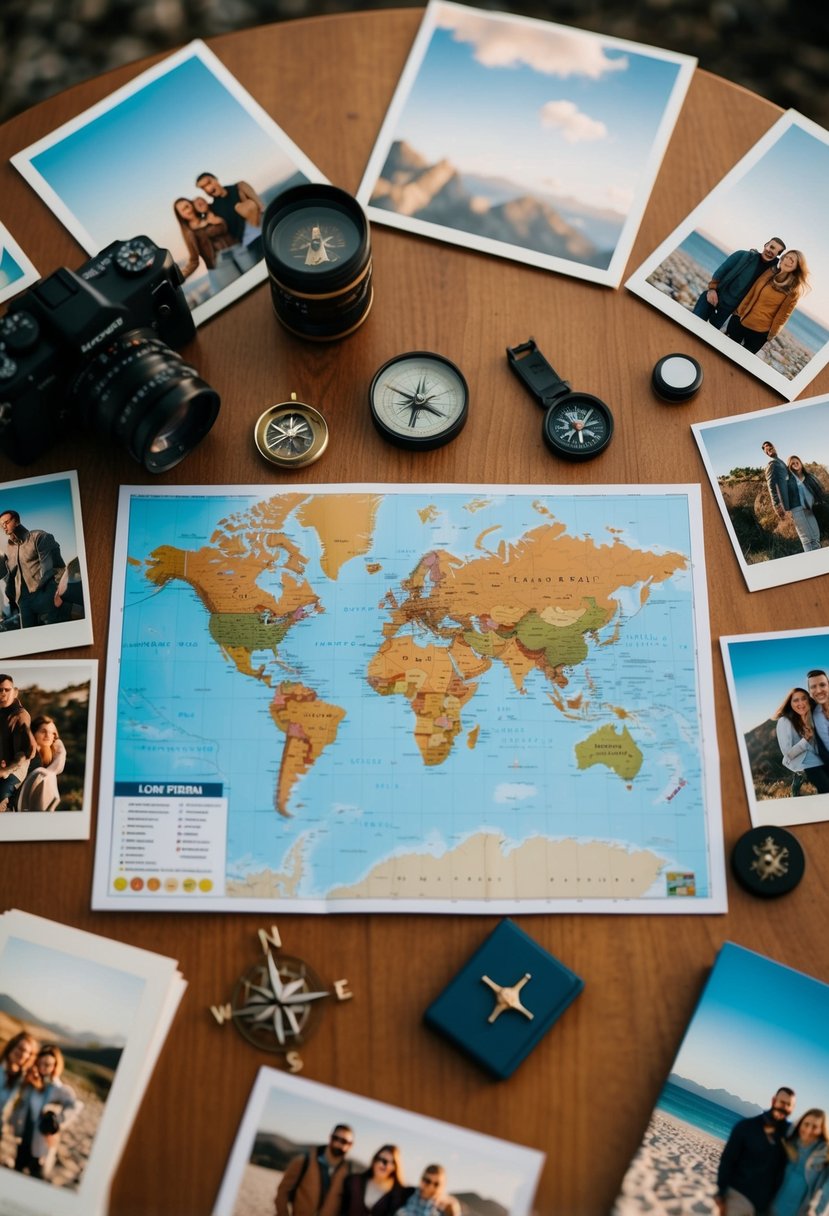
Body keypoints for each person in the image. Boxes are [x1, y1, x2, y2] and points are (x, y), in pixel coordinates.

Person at [715, 1086, 795, 1215]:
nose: (783, 1107)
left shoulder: (791, 1136)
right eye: (781, 1102)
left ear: (792, 1109)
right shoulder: (746, 1127)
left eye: (788, 1105)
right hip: (738, 1197)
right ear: (774, 1101)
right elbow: (727, 1160)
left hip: (766, 1207)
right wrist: (721, 1192)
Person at [11, 1043, 83, 1180]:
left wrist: (58, 1121)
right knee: (18, 1170)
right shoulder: (31, 1084)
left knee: (37, 1175)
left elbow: (75, 1106)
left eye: (48, 1064)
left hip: (43, 1142)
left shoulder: (60, 1089)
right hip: (24, 1137)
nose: (44, 1068)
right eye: (41, 1063)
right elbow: (20, 1106)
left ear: (55, 1066)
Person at [726, 250, 810, 353]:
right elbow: (752, 292)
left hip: (759, 332)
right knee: (724, 351)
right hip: (741, 319)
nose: (788, 261)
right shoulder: (770, 272)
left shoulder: (793, 290)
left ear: (797, 267)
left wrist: (771, 334)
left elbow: (783, 315)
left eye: (792, 260)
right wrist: (738, 312)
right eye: (787, 257)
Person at [693, 237, 785, 329]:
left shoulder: (772, 274)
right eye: (771, 247)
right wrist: (712, 289)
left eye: (775, 251)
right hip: (713, 297)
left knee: (707, 335)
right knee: (692, 325)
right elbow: (722, 271)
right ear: (766, 245)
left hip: (729, 312)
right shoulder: (742, 255)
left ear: (777, 255)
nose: (770, 251)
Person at [0, 508, 66, 628]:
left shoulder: (39, 537)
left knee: (55, 635)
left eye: (6, 522)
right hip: (24, 602)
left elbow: (53, 567)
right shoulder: (9, 548)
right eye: (1, 524)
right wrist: (11, 594)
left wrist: (58, 592)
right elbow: (11, 573)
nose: (4, 526)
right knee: (29, 640)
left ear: (17, 521)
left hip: (46, 595)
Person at [274, 1123, 354, 1216]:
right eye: (335, 1138)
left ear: (351, 1145)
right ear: (330, 1138)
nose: (338, 1143)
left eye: (344, 1141)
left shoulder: (350, 1174)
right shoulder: (303, 1161)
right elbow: (283, 1191)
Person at [195, 172, 264, 265]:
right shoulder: (214, 208)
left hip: (263, 230)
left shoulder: (238, 188)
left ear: (215, 179)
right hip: (249, 244)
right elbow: (203, 216)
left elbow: (259, 207)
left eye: (208, 183)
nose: (208, 188)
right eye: (203, 188)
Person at [770, 1109, 829, 1216]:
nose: (808, 1130)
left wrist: (815, 1213)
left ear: (821, 1130)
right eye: (806, 1124)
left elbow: (826, 1192)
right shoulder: (788, 1144)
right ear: (800, 1124)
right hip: (769, 1208)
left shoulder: (825, 1157)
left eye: (815, 1127)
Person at [774, 687, 829, 795]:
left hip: (817, 759)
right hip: (802, 762)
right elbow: (788, 754)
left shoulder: (812, 718)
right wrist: (806, 739)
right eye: (796, 700)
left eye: (804, 699)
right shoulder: (784, 721)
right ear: (790, 703)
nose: (801, 703)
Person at [173, 197, 236, 283]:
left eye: (187, 206)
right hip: (220, 263)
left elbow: (225, 227)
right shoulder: (190, 233)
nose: (187, 210)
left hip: (237, 251)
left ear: (192, 204)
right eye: (183, 210)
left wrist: (211, 218)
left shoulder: (208, 215)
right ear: (181, 215)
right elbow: (194, 260)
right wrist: (181, 276)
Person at [16, 715, 66, 812]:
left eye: (52, 733)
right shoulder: (29, 757)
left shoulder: (45, 758)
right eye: (43, 731)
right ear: (33, 733)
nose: (48, 735)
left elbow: (59, 762)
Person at [0, 675, 34, 813]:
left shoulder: (20, 716)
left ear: (15, 691)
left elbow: (25, 753)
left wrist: (6, 770)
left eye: (6, 690)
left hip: (15, 770)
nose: (2, 693)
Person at [342, 1145, 409, 1216]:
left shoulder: (398, 1195)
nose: (385, 1165)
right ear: (374, 1160)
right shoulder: (354, 1181)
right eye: (382, 1160)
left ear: (395, 1167)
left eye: (392, 1162)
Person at [786, 455, 827, 553]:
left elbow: (819, 492)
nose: (795, 464)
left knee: (816, 537)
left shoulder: (809, 477)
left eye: (797, 462)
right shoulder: (789, 480)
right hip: (799, 512)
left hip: (811, 510)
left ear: (800, 463)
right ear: (790, 466)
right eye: (793, 463)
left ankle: (819, 560)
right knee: (806, 540)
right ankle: (811, 561)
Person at [1, 1033, 38, 1125]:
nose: (23, 1054)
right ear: (11, 1047)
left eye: (28, 1053)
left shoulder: (24, 1079)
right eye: (20, 1049)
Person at [395, 1165, 460, 1216]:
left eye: (436, 1184)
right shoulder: (406, 1194)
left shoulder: (447, 1208)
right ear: (421, 1179)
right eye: (427, 1181)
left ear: (443, 1185)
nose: (431, 1187)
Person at [762, 441, 798, 522]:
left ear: (774, 447)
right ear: (766, 453)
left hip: (793, 502)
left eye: (769, 446)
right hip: (786, 507)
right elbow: (771, 487)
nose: (767, 448)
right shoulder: (772, 464)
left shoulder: (780, 462)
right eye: (765, 448)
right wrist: (778, 507)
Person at [807, 670, 829, 769]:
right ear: (809, 692)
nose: (819, 690)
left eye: (822, 685)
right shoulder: (815, 715)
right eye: (813, 687)